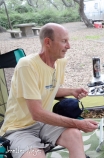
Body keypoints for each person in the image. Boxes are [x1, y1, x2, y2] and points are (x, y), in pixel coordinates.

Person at [0, 23, 98, 158]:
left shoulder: (60, 62)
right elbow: (37, 113)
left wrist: (71, 91)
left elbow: (48, 89)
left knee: (74, 135)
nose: (69, 46)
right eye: (64, 41)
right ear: (48, 42)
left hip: (43, 124)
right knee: (36, 155)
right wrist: (78, 123)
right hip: (18, 129)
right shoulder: (27, 65)